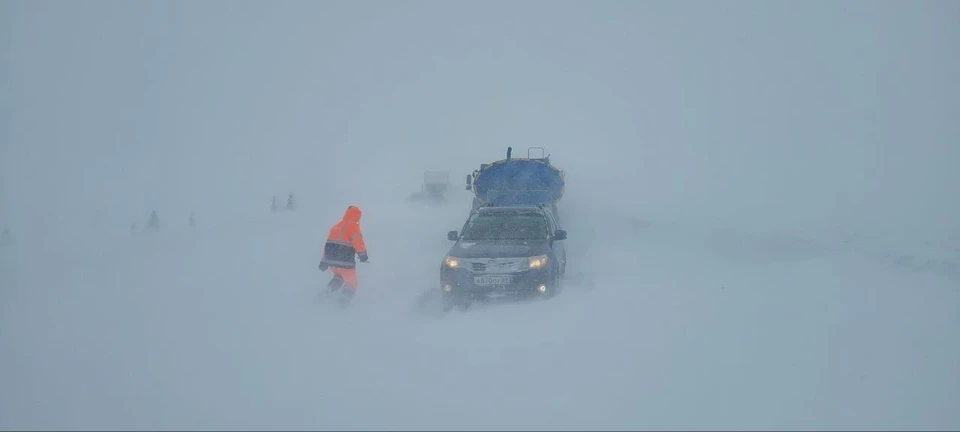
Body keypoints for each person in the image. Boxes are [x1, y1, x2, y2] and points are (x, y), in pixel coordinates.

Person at [318, 205, 368, 307]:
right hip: (345, 262)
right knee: (352, 284)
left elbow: (328, 245)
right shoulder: (353, 226)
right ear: (357, 216)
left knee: (338, 278)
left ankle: (322, 299)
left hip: (332, 262)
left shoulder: (336, 227)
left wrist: (324, 261)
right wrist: (363, 255)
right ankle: (340, 306)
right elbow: (358, 242)